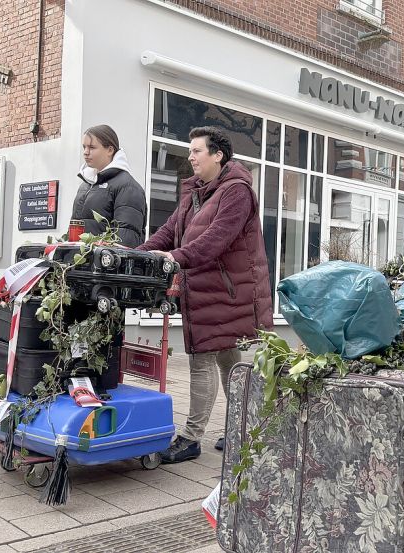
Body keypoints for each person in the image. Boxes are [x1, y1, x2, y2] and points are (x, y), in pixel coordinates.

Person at [137, 126, 274, 463]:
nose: (190, 157)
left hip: (227, 293)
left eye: (197, 151)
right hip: (207, 291)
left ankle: (190, 437)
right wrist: (137, 255)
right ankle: (243, 426)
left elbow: (216, 239)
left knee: (202, 360)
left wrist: (176, 258)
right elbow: (169, 232)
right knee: (227, 360)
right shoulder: (195, 194)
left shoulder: (237, 192)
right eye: (190, 151)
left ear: (218, 155)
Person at [72, 125, 147, 247]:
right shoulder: (85, 185)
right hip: (78, 264)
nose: (85, 152)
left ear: (110, 150)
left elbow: (125, 241)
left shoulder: (128, 187)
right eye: (84, 147)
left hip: (105, 264)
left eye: (92, 147)